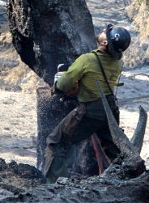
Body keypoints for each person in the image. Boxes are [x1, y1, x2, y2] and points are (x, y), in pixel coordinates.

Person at [44, 24, 131, 183]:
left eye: (106, 33)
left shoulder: (87, 59)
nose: (104, 32)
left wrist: (57, 86)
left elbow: (64, 85)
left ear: (105, 43)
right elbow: (94, 80)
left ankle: (55, 187)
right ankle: (127, 180)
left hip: (90, 111)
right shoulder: (117, 63)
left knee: (55, 142)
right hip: (110, 111)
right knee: (113, 150)